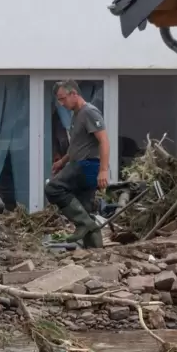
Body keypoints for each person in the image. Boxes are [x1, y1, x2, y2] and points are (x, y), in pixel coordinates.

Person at [45, 80, 110, 249]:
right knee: (85, 210)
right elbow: (77, 146)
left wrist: (103, 170)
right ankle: (95, 253)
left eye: (62, 98)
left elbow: (104, 141)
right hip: (79, 162)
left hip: (87, 165)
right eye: (58, 100)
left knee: (53, 188)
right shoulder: (76, 115)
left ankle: (82, 224)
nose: (61, 103)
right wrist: (62, 161)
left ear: (74, 93)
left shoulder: (89, 112)